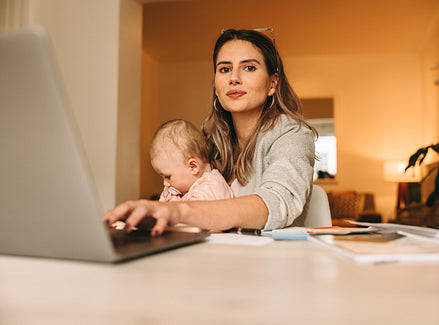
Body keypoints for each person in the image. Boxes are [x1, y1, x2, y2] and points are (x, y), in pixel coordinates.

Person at [104, 28, 317, 236]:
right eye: (224, 69)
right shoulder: (208, 146)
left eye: (249, 68)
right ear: (216, 87)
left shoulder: (293, 136)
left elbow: (277, 203)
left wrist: (179, 212)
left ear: (273, 83)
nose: (234, 78)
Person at [150, 119, 233, 202]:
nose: (165, 183)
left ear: (193, 167)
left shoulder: (211, 188)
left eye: (168, 177)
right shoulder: (176, 190)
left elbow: (191, 213)